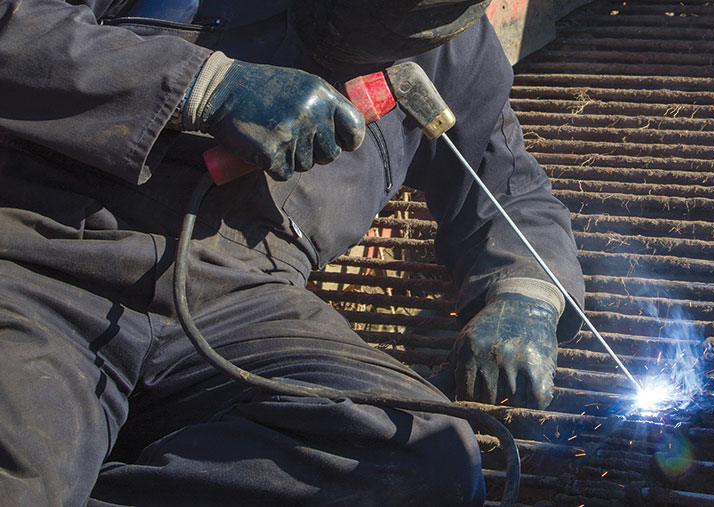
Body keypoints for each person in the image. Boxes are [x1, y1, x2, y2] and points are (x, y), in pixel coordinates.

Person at [0, 0, 585, 505]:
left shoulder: (455, 48)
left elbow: (508, 191)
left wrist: (526, 293)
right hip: (48, 260)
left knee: (419, 457)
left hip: (243, 303)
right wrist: (201, 86)